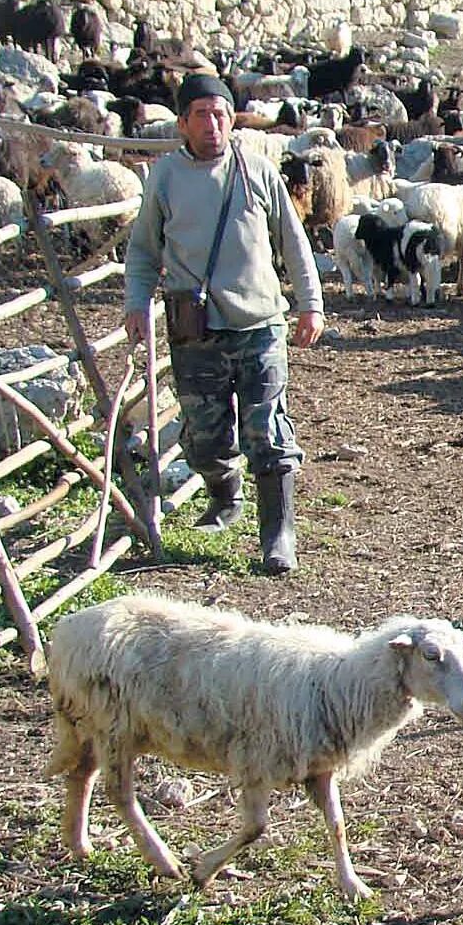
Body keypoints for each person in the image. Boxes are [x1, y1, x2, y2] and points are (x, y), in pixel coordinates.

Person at [123, 73, 324, 575]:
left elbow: (293, 241)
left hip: (258, 323)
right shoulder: (166, 178)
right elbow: (144, 249)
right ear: (183, 123)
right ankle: (222, 486)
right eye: (200, 115)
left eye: (219, 114)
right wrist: (136, 303)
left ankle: (278, 537)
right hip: (197, 330)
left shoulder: (257, 170)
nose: (211, 124)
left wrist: (310, 302)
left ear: (231, 119)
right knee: (205, 437)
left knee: (268, 429)